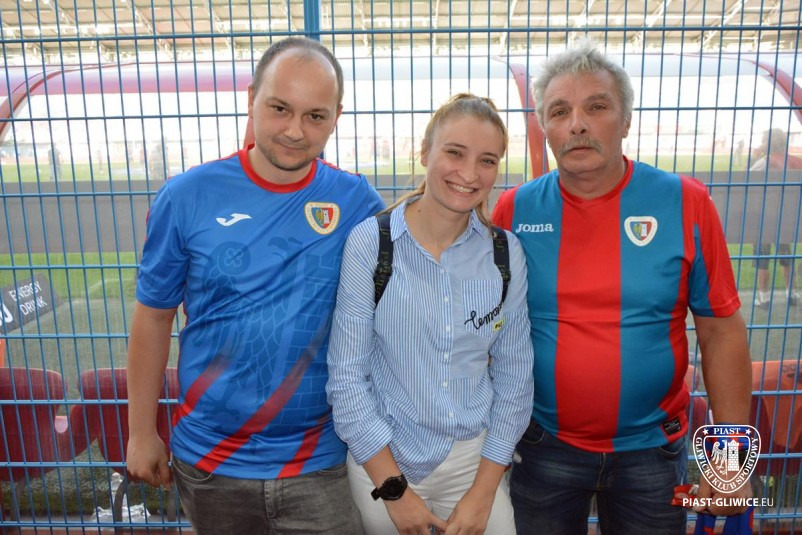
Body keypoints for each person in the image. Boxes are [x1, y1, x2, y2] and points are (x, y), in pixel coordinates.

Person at [126, 37, 385, 534]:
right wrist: (141, 433)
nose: (294, 130)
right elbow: (153, 316)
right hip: (211, 463)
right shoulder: (186, 196)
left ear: (336, 117)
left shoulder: (356, 201)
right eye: (279, 108)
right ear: (251, 99)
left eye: (315, 116)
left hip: (322, 462)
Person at [492, 41, 753, 534]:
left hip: (652, 453)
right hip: (543, 447)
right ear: (544, 127)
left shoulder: (686, 202)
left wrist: (729, 463)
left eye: (597, 106)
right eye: (559, 111)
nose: (577, 124)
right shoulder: (514, 210)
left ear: (627, 120)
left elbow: (721, 332)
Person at [327, 93, 534, 535]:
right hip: (384, 460)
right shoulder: (371, 243)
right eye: (455, 153)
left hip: (473, 463)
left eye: (487, 160)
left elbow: (516, 378)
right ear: (424, 152)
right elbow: (346, 379)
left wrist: (482, 494)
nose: (469, 174)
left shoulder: (504, 253)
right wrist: (394, 492)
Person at [750, 128, 802, 308]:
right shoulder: (796, 161)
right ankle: (792, 294)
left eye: (764, 140)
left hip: (765, 216)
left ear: (769, 143)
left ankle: (764, 299)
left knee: (762, 258)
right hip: (787, 216)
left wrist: (755, 156)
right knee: (786, 256)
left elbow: (745, 179)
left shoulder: (765, 162)